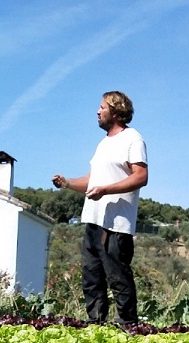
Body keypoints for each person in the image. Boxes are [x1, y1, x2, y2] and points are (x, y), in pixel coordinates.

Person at [51, 90, 147, 325]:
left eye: (102, 107)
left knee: (118, 278)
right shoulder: (103, 144)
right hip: (94, 221)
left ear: (116, 111)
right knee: (91, 278)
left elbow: (141, 177)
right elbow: (92, 181)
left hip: (117, 224)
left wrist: (106, 190)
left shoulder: (133, 139)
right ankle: (96, 326)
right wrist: (68, 183)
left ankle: (128, 327)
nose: (97, 111)